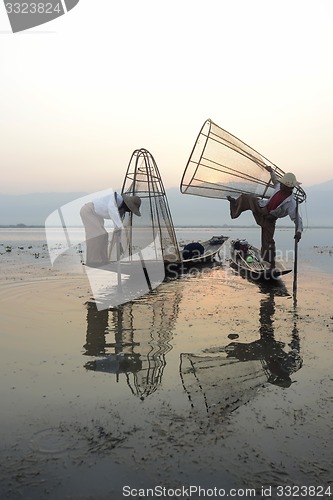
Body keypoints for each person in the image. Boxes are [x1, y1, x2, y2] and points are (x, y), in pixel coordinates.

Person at [227, 166, 303, 268]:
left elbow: (297, 219)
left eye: (283, 184)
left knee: (268, 241)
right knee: (246, 198)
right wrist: (271, 171)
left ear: (289, 187)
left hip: (270, 218)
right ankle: (234, 204)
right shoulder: (278, 187)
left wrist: (298, 232)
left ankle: (269, 263)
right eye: (281, 184)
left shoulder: (291, 203)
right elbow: (275, 181)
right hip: (262, 207)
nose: (280, 185)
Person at [80, 191, 141, 267]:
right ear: (128, 205)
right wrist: (119, 227)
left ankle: (103, 260)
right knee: (97, 235)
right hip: (88, 211)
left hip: (97, 215)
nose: (129, 211)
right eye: (130, 209)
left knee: (104, 235)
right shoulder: (117, 199)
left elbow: (117, 228)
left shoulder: (121, 209)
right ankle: (92, 260)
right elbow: (112, 212)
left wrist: (119, 243)